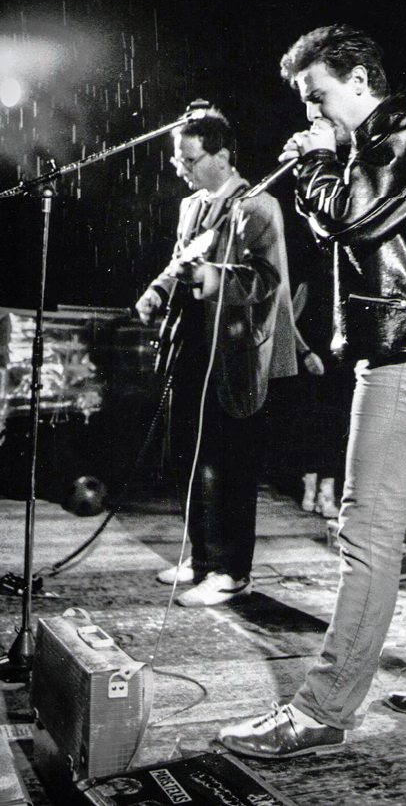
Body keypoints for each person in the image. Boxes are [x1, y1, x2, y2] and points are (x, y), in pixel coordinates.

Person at [219, 24, 406, 759]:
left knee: (365, 528)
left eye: (317, 96)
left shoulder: (403, 133)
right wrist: (325, 162)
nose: (310, 111)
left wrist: (318, 159)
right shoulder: (374, 146)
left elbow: (349, 215)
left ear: (357, 80)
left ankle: (321, 711)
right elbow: (342, 224)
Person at [136, 105, 297, 606]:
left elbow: (267, 281)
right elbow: (179, 261)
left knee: (228, 464)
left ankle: (231, 571)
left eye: (189, 159)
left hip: (234, 356)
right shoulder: (192, 206)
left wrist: (211, 278)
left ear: (222, 157)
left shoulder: (258, 206)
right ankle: (203, 557)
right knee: (188, 454)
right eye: (178, 159)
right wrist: (158, 290)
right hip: (191, 347)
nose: (180, 168)